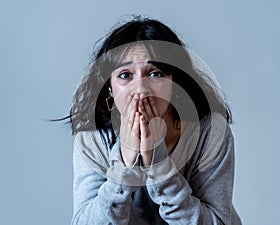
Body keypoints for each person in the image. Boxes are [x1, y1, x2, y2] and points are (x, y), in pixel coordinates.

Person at [68, 16, 242, 225]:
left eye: (155, 73)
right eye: (125, 75)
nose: (140, 90)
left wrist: (159, 164)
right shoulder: (92, 137)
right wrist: (123, 166)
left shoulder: (210, 132)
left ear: (174, 82)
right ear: (110, 88)